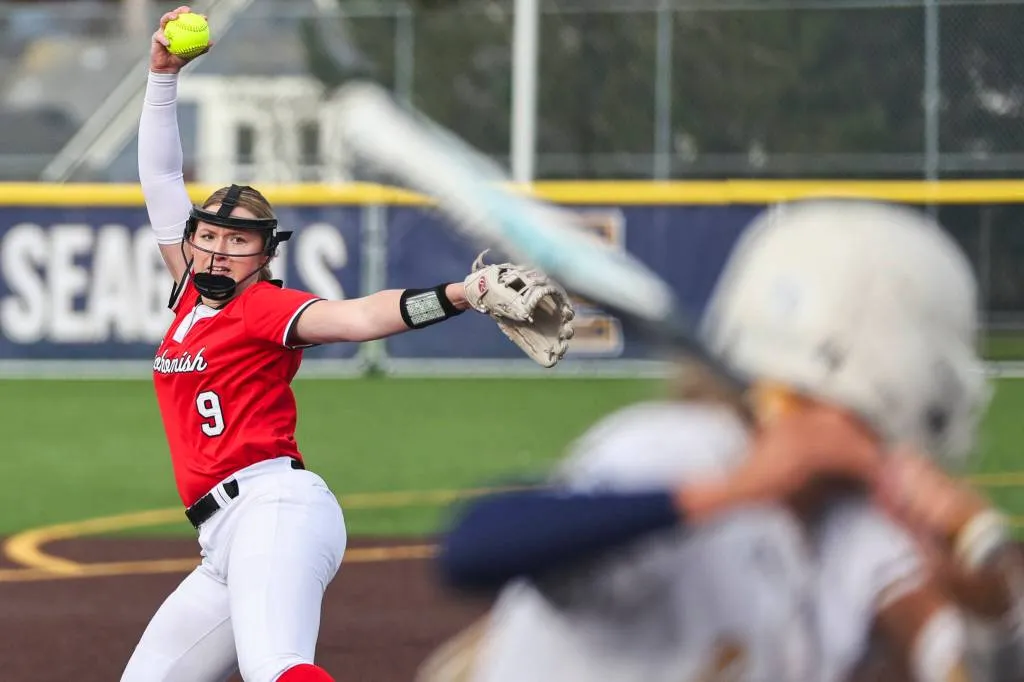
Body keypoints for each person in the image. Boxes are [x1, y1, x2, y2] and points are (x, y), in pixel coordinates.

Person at [122, 6, 574, 682]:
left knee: (279, 667)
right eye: (208, 235)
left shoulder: (262, 307)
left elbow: (359, 317)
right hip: (222, 540)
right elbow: (160, 180)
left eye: (237, 239)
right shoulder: (189, 297)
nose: (217, 249)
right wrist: (162, 77)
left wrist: (464, 292)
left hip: (274, 512)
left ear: (263, 254)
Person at [426, 199, 998, 682]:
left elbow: (944, 651)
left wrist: (990, 600)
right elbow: (478, 544)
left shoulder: (846, 523)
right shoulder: (676, 451)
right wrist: (740, 489)